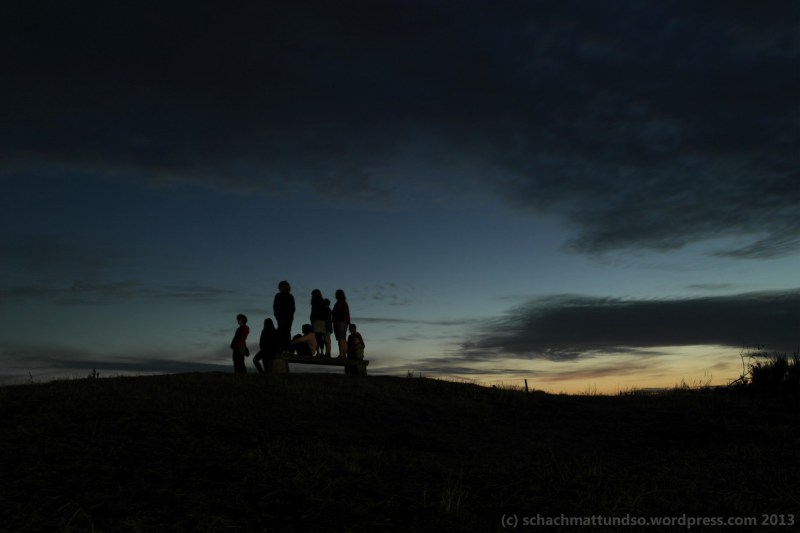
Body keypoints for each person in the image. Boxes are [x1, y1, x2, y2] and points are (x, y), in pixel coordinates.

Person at [273, 280, 295, 350]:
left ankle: (281, 347)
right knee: (287, 332)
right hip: (288, 318)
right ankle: (286, 348)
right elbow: (293, 308)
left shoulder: (278, 296)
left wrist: (277, 316)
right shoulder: (290, 296)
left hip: (281, 317)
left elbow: (275, 307)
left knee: (281, 332)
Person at [332, 289, 350, 358]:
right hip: (345, 323)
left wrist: (332, 313)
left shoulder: (339, 302)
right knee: (343, 338)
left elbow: (336, 312)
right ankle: (344, 354)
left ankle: (341, 354)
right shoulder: (345, 303)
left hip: (339, 322)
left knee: (340, 339)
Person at [310, 289, 328, 356]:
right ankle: (322, 352)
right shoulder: (322, 302)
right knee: (321, 338)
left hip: (316, 321)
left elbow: (313, 312)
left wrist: (312, 319)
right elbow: (325, 312)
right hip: (322, 321)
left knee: (317, 337)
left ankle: (318, 352)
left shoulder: (314, 301)